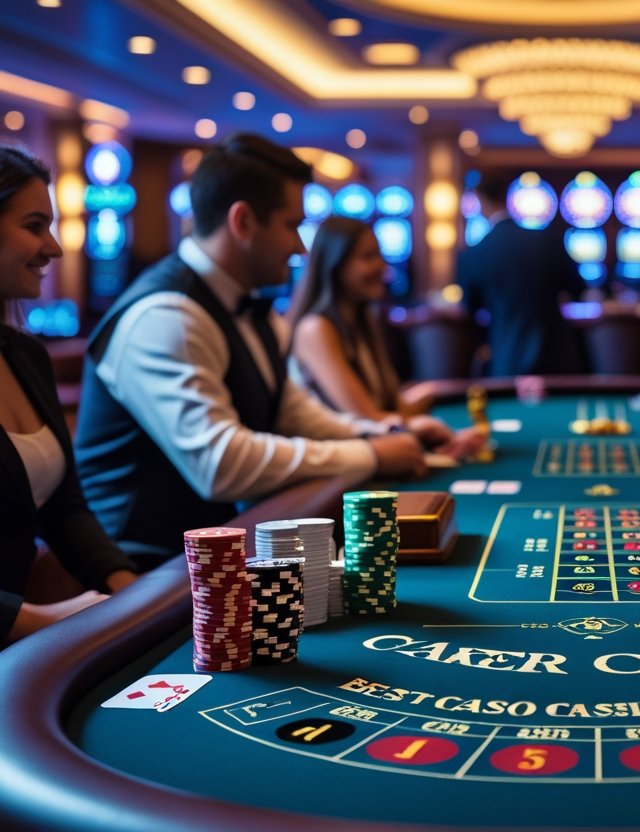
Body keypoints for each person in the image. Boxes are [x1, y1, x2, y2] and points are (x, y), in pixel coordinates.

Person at [75, 134, 428, 566]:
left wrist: (377, 433)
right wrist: (369, 454)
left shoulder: (253, 307)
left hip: (218, 556)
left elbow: (293, 414)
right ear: (243, 222)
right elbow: (221, 464)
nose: (300, 248)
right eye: (291, 225)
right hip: (144, 578)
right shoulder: (165, 316)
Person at [0, 146, 139, 643]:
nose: (54, 248)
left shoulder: (25, 355)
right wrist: (52, 620)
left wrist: (130, 591)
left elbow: (63, 509)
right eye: (35, 226)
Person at [288, 216, 484, 458]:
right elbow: (366, 417)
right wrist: (416, 426)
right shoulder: (315, 328)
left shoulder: (365, 321)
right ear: (335, 266)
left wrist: (436, 402)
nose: (383, 267)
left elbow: (390, 405)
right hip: (334, 468)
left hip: (367, 455)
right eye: (368, 257)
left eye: (380, 255)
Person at [457, 170, 586, 376]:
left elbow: (470, 310)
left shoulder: (473, 254)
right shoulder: (548, 241)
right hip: (559, 358)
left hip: (507, 360)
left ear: (479, 199)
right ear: (508, 196)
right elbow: (579, 291)